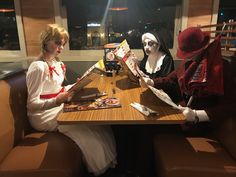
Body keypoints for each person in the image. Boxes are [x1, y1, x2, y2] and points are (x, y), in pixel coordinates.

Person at [26, 24, 117, 176]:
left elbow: (54, 89)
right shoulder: (38, 67)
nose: (61, 48)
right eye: (57, 43)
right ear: (46, 41)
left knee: (98, 124)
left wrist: (77, 84)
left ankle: (109, 166)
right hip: (41, 115)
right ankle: (100, 169)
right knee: (86, 128)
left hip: (55, 106)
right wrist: (56, 101)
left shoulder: (57, 64)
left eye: (63, 44)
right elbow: (32, 105)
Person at [141, 27, 236, 124]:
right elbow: (171, 79)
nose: (188, 57)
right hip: (183, 112)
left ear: (202, 47)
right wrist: (152, 82)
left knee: (150, 127)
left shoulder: (221, 67)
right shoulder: (188, 62)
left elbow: (231, 105)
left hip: (204, 122)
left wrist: (197, 115)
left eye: (191, 54)